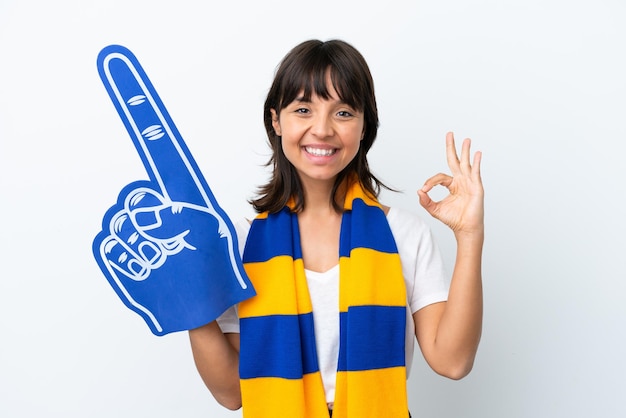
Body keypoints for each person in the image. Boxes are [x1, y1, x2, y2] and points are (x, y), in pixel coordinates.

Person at [188, 39, 484, 418]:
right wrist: (190, 300)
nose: (322, 129)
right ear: (276, 120)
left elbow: (452, 361)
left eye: (343, 112)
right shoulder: (240, 244)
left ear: (364, 127)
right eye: (303, 109)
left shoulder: (404, 234)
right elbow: (232, 392)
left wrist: (470, 235)